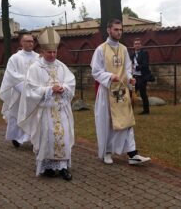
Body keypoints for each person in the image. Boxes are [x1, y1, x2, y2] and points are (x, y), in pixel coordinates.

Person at [18, 27, 75, 181]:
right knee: (48, 137)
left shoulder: (61, 66)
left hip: (61, 109)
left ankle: (63, 167)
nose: (52, 55)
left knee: (63, 137)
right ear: (42, 52)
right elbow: (30, 89)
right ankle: (48, 167)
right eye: (49, 52)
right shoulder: (35, 68)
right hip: (45, 110)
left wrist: (64, 88)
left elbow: (71, 82)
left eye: (54, 52)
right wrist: (50, 89)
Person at [90, 19, 151, 165]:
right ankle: (107, 152)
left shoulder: (123, 49)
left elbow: (127, 68)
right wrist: (110, 76)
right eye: (116, 29)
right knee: (108, 123)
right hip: (106, 92)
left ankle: (133, 154)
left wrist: (130, 79)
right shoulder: (101, 49)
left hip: (122, 92)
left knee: (127, 121)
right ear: (109, 30)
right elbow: (95, 71)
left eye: (120, 30)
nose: (119, 32)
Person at [0, 30, 39, 148]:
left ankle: (33, 138)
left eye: (32, 41)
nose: (30, 43)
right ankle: (16, 137)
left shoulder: (38, 57)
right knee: (17, 114)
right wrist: (26, 83)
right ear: (21, 43)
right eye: (27, 41)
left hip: (34, 92)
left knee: (33, 115)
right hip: (19, 92)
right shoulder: (15, 58)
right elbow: (11, 75)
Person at [131, 38, 150, 115]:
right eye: (135, 44)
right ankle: (130, 110)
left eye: (138, 43)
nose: (137, 45)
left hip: (142, 77)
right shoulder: (132, 54)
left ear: (141, 45)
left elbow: (145, 65)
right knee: (131, 94)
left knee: (143, 94)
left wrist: (135, 67)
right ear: (133, 45)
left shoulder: (144, 53)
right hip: (134, 77)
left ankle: (146, 110)